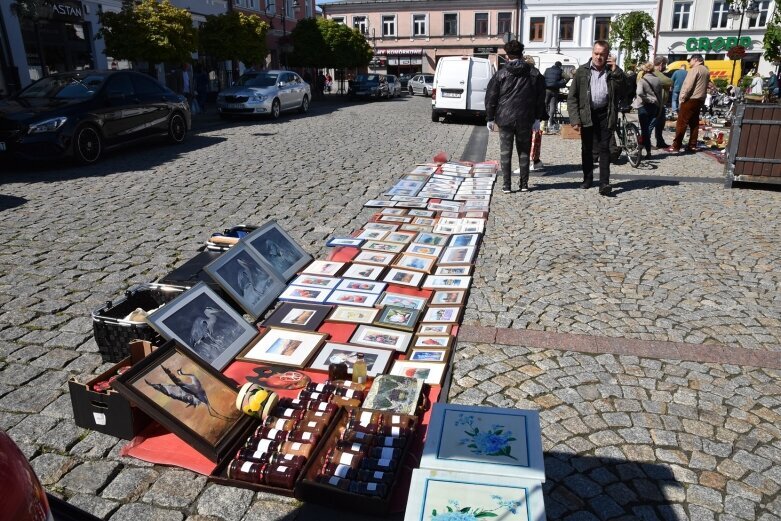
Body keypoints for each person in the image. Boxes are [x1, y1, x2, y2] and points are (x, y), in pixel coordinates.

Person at [567, 40, 627, 197]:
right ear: (592, 53)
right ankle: (587, 179)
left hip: (605, 114)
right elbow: (572, 97)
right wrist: (575, 119)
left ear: (608, 55)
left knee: (604, 148)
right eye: (596, 53)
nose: (599, 57)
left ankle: (604, 183)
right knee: (587, 148)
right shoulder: (582, 71)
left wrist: (616, 70)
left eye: (602, 54)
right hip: (588, 113)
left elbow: (625, 90)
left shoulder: (612, 72)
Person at [485, 40, 547, 194]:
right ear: (522, 54)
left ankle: (506, 186)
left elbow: (491, 97)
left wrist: (489, 117)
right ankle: (524, 184)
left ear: (507, 56)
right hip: (526, 118)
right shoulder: (534, 73)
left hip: (504, 118)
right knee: (524, 151)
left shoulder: (501, 74)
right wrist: (538, 118)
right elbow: (541, 97)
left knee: (505, 152)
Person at [666, 54, 710, 153]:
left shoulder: (695, 70)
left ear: (696, 60)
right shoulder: (706, 70)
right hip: (700, 99)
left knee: (681, 123)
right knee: (694, 124)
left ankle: (676, 146)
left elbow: (688, 85)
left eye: (690, 60)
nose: (689, 62)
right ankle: (692, 145)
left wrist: (682, 98)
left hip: (691, 98)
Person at [635, 62, 663, 158]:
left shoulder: (642, 80)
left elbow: (639, 92)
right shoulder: (658, 80)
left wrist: (647, 99)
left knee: (645, 130)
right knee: (647, 129)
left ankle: (647, 151)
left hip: (643, 106)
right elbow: (660, 95)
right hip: (655, 106)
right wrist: (659, 106)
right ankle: (645, 150)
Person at [649, 56, 673, 148]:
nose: (665, 67)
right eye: (664, 65)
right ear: (661, 64)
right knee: (652, 123)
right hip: (655, 103)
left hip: (660, 103)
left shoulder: (658, 73)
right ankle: (646, 142)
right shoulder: (656, 73)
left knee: (660, 124)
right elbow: (669, 81)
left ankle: (660, 141)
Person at [542, 61, 567, 133]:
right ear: (560, 66)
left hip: (546, 90)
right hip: (555, 91)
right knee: (552, 106)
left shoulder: (547, 69)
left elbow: (543, 77)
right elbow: (568, 77)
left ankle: (543, 124)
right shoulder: (560, 71)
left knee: (545, 105)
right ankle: (550, 123)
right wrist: (563, 83)